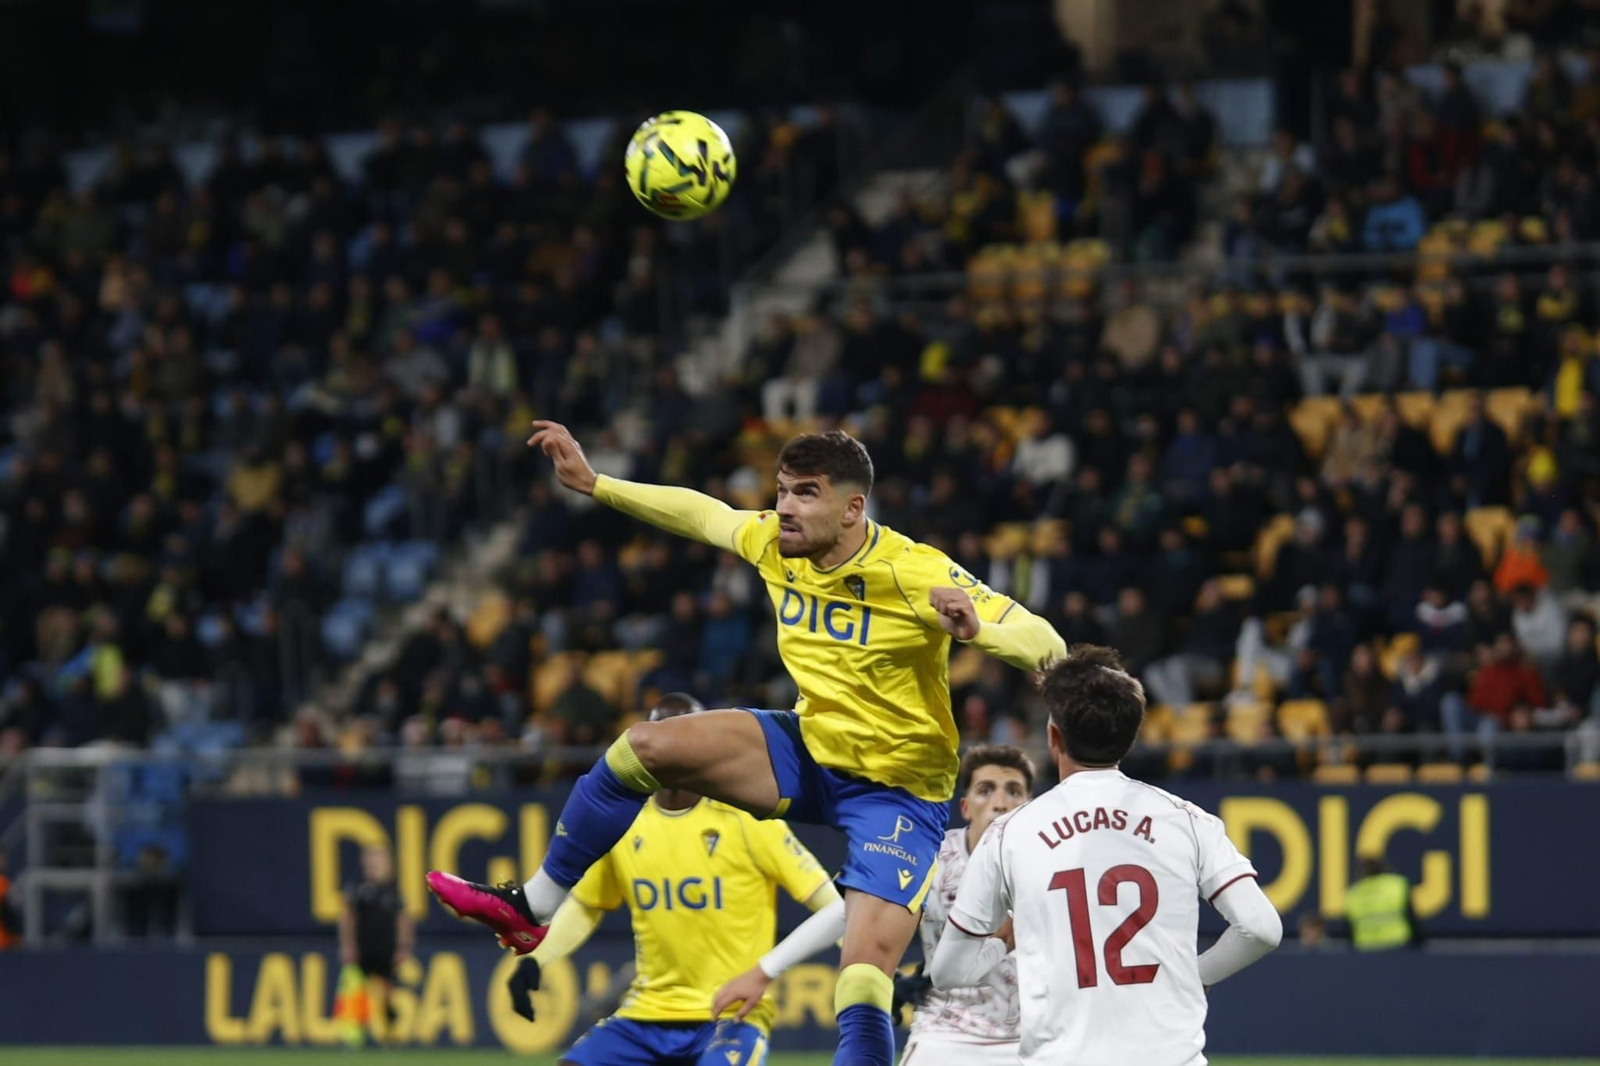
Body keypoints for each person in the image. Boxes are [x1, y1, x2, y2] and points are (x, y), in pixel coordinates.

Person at [430, 424, 1066, 1066]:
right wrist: (597, 485)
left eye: (806, 494)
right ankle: (531, 906)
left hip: (898, 792)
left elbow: (1046, 643)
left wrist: (979, 627)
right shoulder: (773, 541)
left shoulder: (912, 570)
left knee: (865, 973)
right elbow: (703, 513)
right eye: (783, 491)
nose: (786, 507)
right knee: (644, 747)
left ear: (853, 508)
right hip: (809, 750)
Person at [928, 645, 1281, 1066]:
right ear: (1130, 737)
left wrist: (1004, 941)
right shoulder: (1186, 820)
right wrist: (1196, 976)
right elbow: (1261, 929)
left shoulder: (1008, 835)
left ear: (1053, 736)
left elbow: (948, 971)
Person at [506, 693, 839, 1065]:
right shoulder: (622, 823)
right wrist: (538, 960)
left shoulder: (749, 821)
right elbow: (587, 905)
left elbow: (832, 907)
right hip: (645, 1016)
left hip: (730, 1018)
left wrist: (868, 972)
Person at [713, 744, 1035, 1065]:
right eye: (985, 790)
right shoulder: (931, 857)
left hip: (1029, 1039)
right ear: (965, 807)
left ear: (1030, 805)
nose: (1000, 803)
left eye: (1014, 791)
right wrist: (763, 971)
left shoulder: (1048, 861)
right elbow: (843, 914)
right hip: (943, 1036)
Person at [337, 843, 414, 1044]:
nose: (372, 865)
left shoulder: (393, 890)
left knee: (388, 992)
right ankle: (354, 1037)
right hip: (363, 949)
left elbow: (404, 920)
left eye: (377, 860)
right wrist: (348, 946)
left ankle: (391, 1034)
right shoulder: (357, 888)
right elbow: (348, 918)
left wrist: (404, 947)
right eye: (369, 860)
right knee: (356, 992)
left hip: (386, 949)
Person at [1342, 855, 1421, 951]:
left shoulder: (1354, 892)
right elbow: (1411, 917)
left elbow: (1348, 928)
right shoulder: (1397, 885)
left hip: (1365, 950)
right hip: (1397, 945)